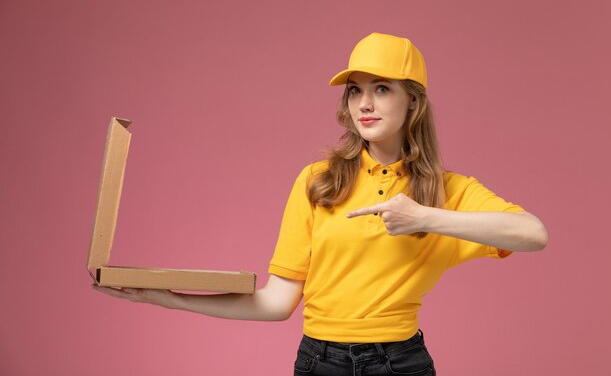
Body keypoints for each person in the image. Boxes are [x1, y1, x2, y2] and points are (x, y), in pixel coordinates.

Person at [94, 32, 548, 376]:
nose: (364, 103)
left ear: (414, 101)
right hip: (319, 361)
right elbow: (277, 302)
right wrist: (169, 299)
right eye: (355, 89)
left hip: (401, 362)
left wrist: (424, 217)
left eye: (382, 88)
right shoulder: (319, 182)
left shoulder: (448, 191)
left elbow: (533, 234)